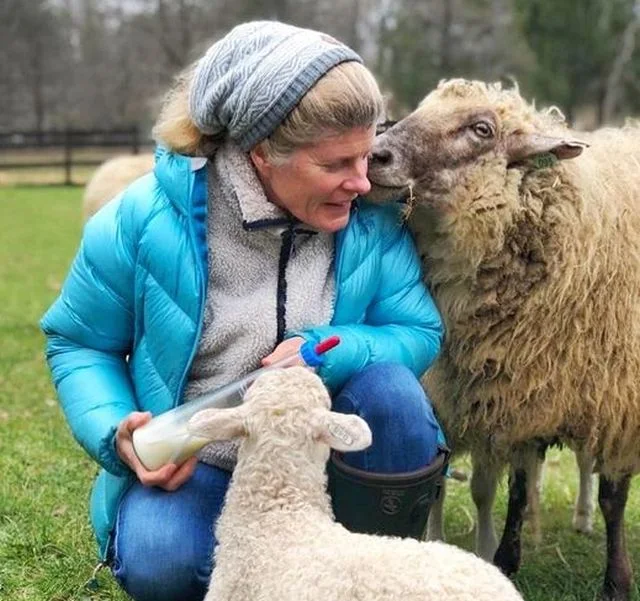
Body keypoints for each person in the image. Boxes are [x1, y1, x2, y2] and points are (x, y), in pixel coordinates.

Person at [41, 21, 445, 601]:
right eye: (335, 165)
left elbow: (417, 330)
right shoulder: (142, 218)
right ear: (260, 154)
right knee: (162, 562)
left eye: (365, 155)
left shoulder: (372, 218)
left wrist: (334, 348)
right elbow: (79, 342)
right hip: (202, 455)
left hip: (326, 449)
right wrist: (117, 431)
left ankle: (363, 576)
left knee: (396, 399)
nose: (361, 183)